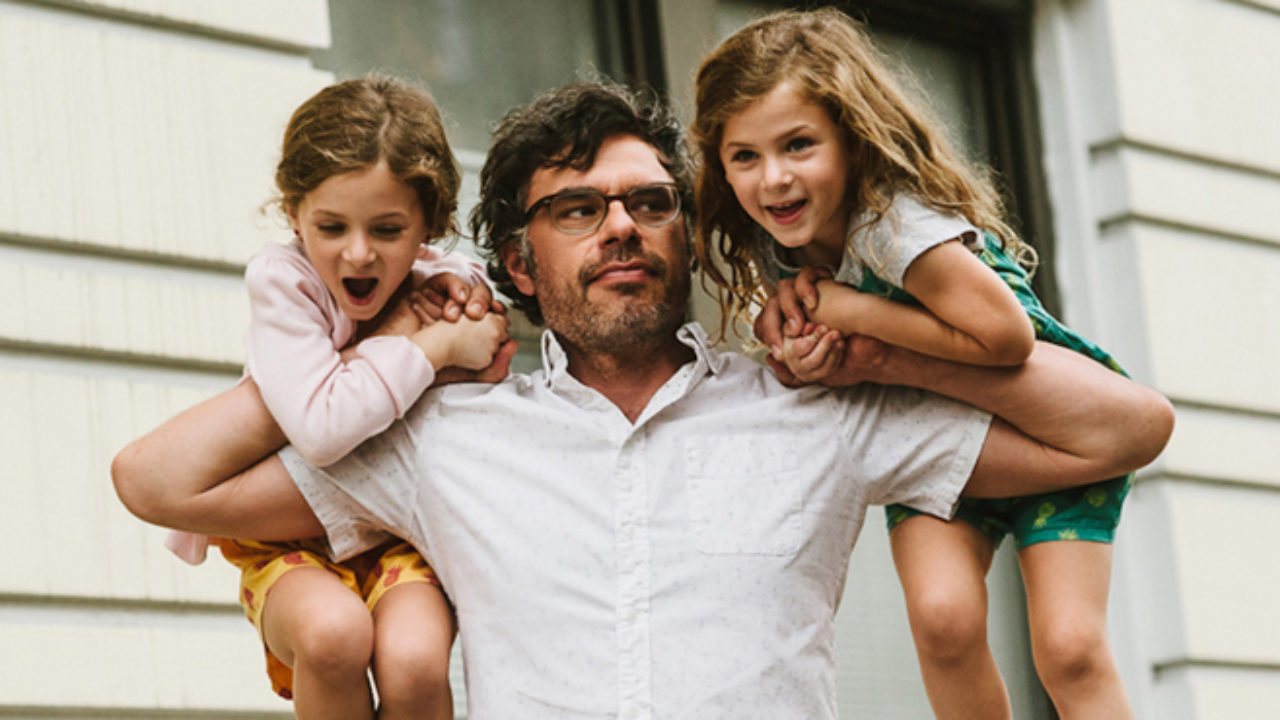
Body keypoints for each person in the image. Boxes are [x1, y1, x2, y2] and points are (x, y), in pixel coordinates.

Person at [111, 80, 1173, 720]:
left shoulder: (817, 410)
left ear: (687, 236)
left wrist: (888, 350)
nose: (620, 226)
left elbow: (1124, 428)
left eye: (649, 203)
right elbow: (161, 483)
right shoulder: (438, 435)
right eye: (576, 209)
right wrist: (382, 346)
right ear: (517, 268)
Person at [691, 9, 1136, 719]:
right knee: (942, 621)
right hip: (936, 439)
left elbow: (1006, 338)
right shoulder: (784, 244)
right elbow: (831, 355)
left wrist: (851, 313)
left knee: (1069, 647)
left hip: (1042, 423)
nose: (773, 179)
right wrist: (801, 354)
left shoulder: (893, 224)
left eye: (799, 145)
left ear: (851, 139)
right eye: (744, 156)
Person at [163, 75, 509, 720]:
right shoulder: (284, 284)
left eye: (387, 228)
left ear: (429, 226)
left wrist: (466, 294)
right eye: (330, 225)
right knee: (333, 636)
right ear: (292, 214)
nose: (358, 253)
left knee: (412, 661)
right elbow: (322, 428)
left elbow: (466, 287)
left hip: (396, 532)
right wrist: (431, 349)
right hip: (285, 540)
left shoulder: (434, 276)